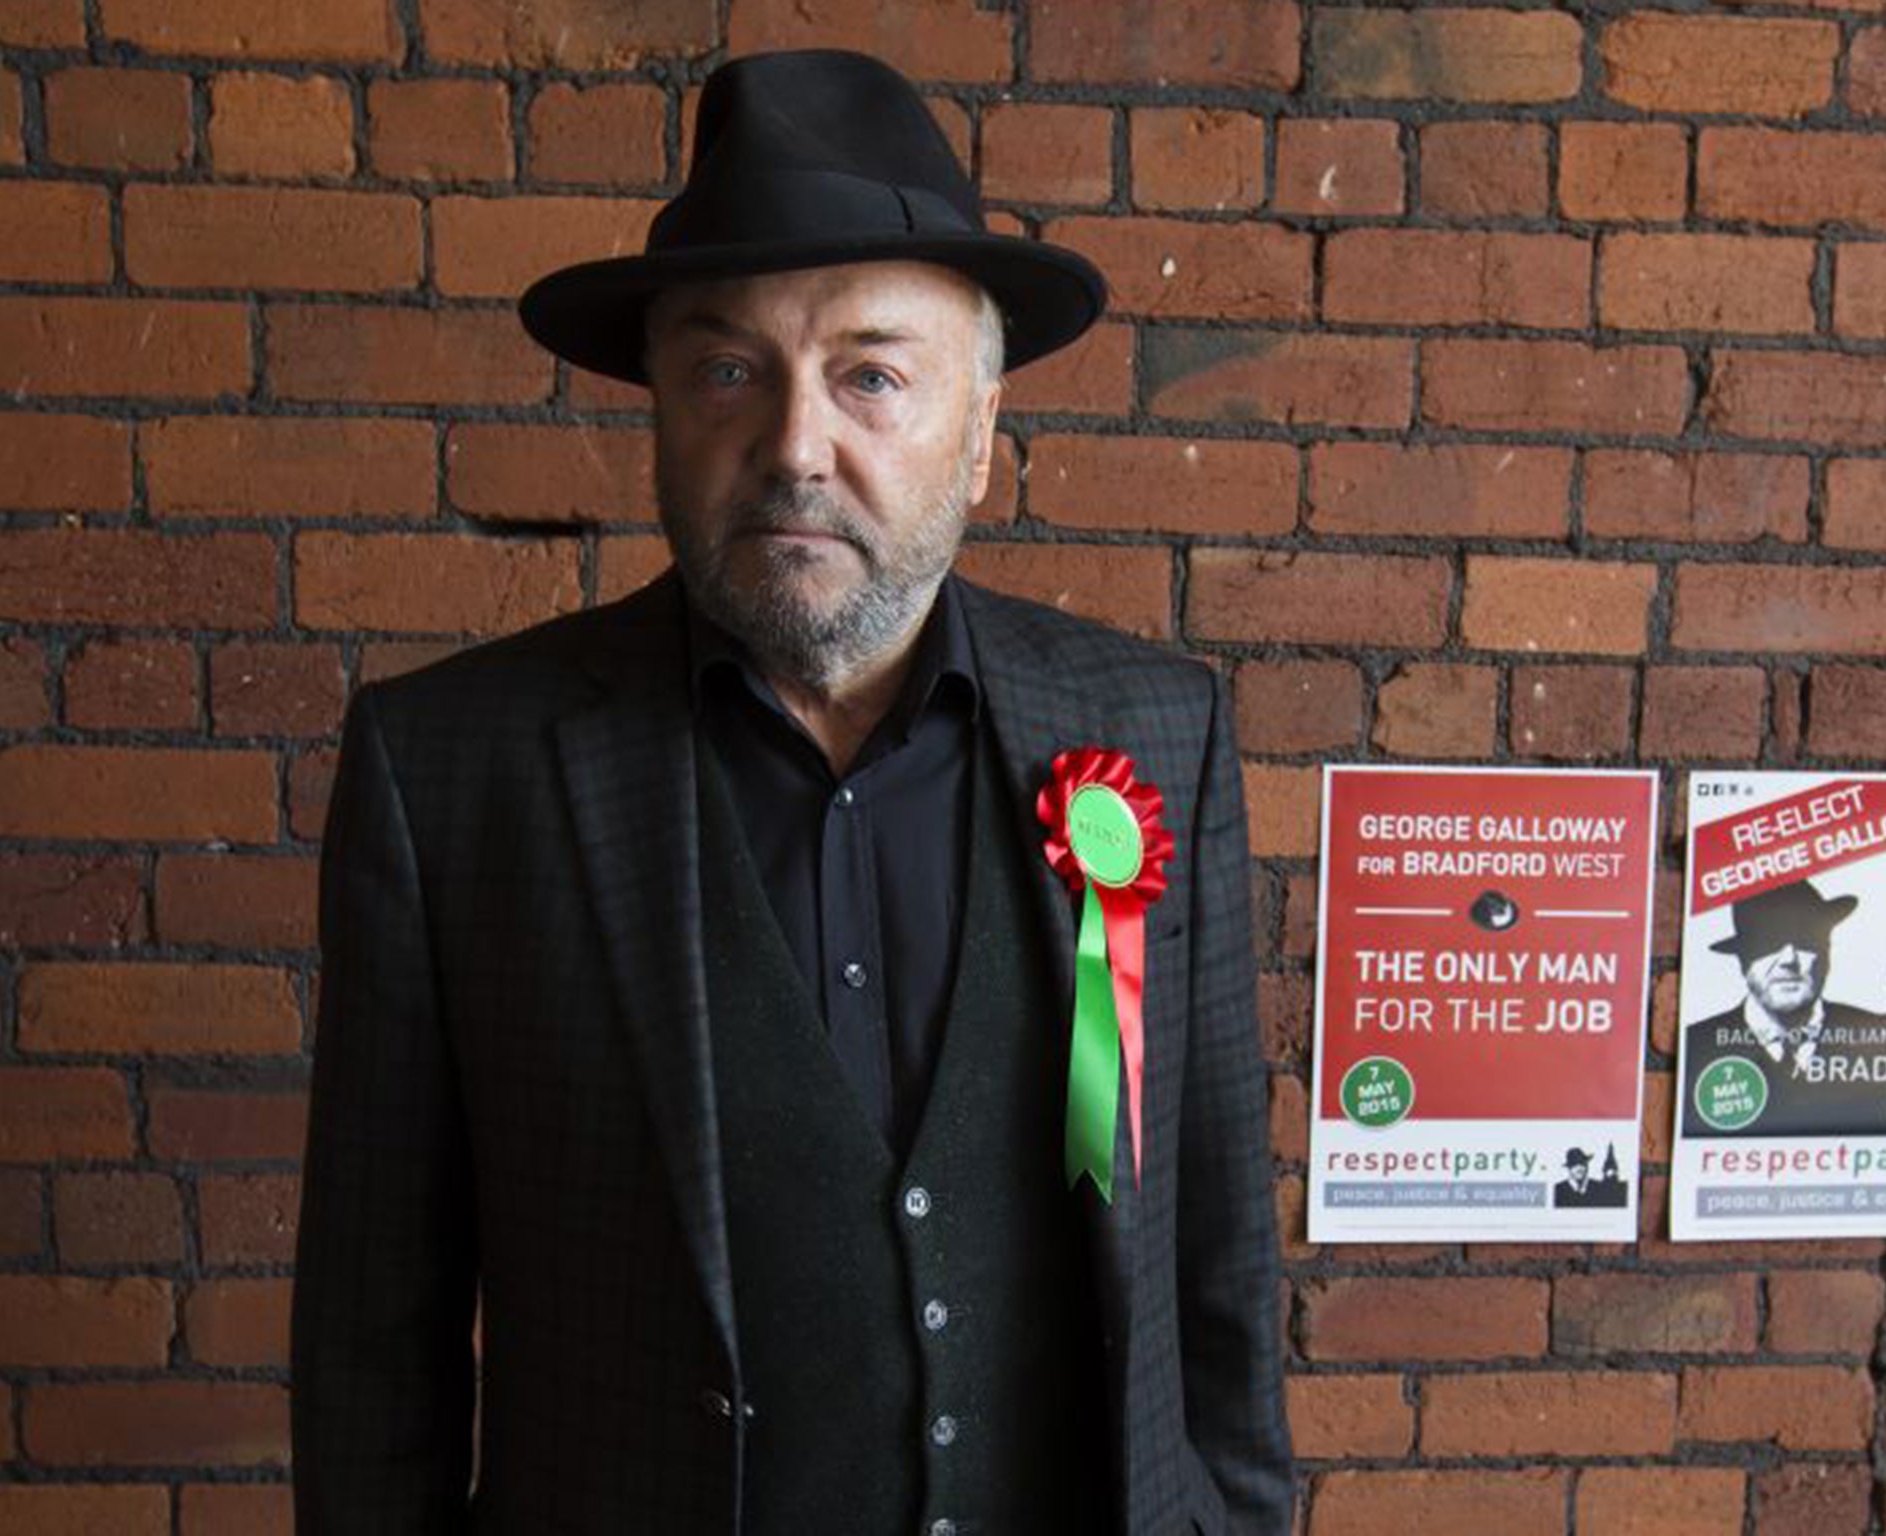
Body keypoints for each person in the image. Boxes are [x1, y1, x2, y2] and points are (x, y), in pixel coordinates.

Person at [289, 48, 1291, 1536]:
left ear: (984, 425)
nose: (795, 447)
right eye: (728, 370)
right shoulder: (452, 773)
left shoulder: (1156, 732)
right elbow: (378, 1343)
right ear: (661, 413)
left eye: (871, 374)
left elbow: (1214, 1262)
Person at [1680, 879, 1883, 1136]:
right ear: (1743, 960)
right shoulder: (1695, 1048)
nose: (1789, 959)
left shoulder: (1878, 1038)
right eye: (1769, 942)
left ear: (1828, 953)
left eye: (1805, 940)